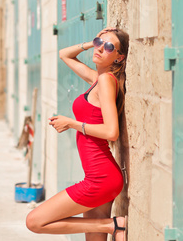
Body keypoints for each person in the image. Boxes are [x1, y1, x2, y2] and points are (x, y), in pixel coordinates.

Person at [26, 27, 129, 241]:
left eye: (108, 47)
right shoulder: (97, 79)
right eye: (99, 43)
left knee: (34, 221)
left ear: (119, 58)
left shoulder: (105, 81)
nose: (101, 48)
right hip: (101, 176)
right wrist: (94, 42)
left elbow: (111, 132)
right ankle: (112, 226)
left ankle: (114, 225)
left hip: (100, 178)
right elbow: (65, 54)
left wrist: (72, 123)